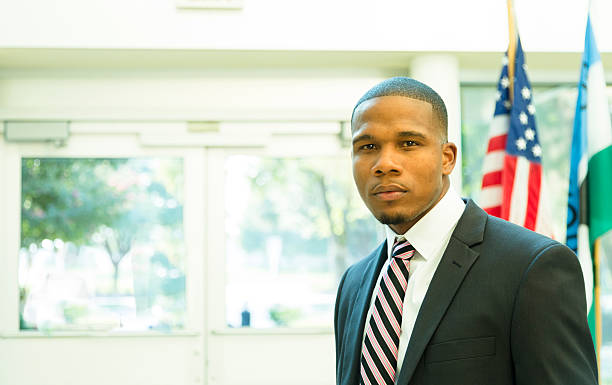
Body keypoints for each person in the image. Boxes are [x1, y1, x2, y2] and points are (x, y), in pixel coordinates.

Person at [334, 77, 598, 385]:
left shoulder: (532, 267)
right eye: (368, 147)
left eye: (408, 143)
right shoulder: (353, 283)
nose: (385, 163)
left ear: (446, 158)